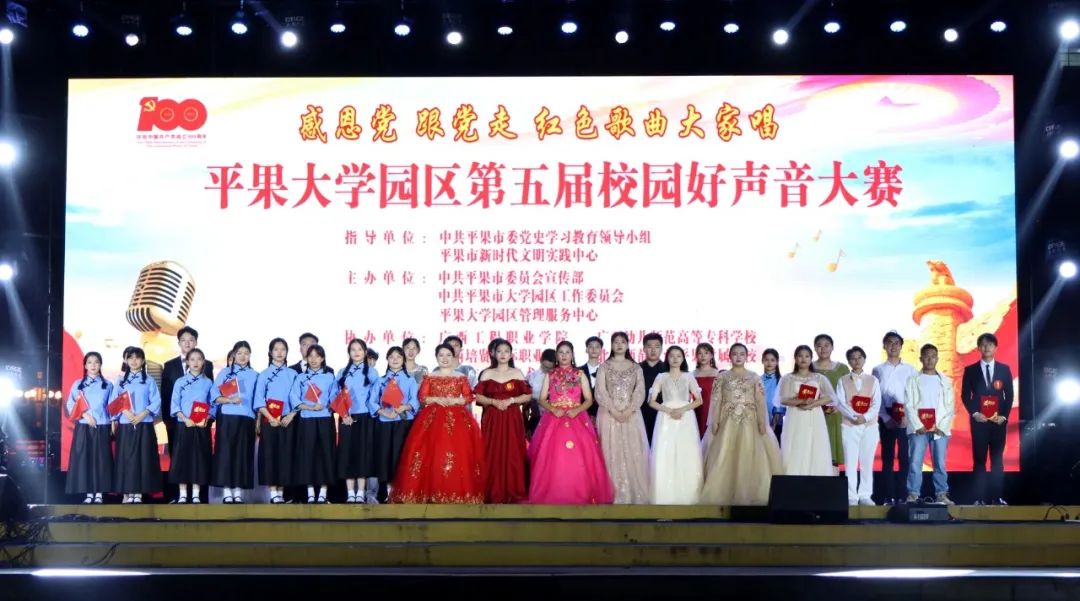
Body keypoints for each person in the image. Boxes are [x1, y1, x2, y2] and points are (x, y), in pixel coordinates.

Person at [391, 344, 485, 503]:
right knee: (430, 453)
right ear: (436, 357)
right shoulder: (430, 376)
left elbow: (469, 397)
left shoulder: (460, 376)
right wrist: (435, 399)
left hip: (457, 419)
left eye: (448, 355)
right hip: (432, 419)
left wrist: (456, 400)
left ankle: (455, 492)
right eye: (441, 355)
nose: (445, 358)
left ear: (453, 357)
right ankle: (429, 493)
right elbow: (422, 397)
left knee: (458, 453)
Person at [528, 341, 613, 504]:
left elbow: (589, 399)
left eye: (567, 352)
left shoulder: (579, 374)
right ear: (557, 355)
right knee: (553, 456)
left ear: (572, 355)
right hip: (554, 418)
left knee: (580, 456)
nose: (564, 355)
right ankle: (554, 491)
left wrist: (577, 410)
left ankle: (580, 492)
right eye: (561, 352)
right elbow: (542, 399)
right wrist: (553, 409)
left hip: (576, 417)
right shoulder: (550, 374)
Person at [702, 343, 782, 506]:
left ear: (747, 357)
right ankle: (724, 491)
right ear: (729, 356)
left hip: (750, 420)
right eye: (735, 354)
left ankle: (751, 492)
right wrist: (714, 421)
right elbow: (716, 400)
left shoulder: (754, 377)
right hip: (727, 421)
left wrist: (762, 421)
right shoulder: (722, 377)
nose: (738, 357)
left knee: (749, 454)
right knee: (724, 455)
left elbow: (760, 400)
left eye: (741, 354)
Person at [593, 331, 651, 504]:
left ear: (627, 345)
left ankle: (633, 492)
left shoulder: (636, 368)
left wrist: (629, 410)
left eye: (622, 342)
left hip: (631, 414)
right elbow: (600, 391)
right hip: (608, 414)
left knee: (632, 450)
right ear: (611, 345)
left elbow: (640, 391)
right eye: (616, 342)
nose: (619, 345)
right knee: (609, 450)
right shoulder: (604, 367)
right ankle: (611, 493)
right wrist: (614, 410)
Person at [474, 339, 531, 503]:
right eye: (499, 351)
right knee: (491, 451)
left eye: (506, 351)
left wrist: (511, 400)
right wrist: (493, 402)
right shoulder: (487, 373)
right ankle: (491, 491)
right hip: (492, 417)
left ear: (511, 354)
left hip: (512, 417)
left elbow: (527, 395)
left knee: (513, 451)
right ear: (494, 354)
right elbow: (478, 396)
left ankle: (513, 490)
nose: (503, 354)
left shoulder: (517, 373)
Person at [961, 333, 1013, 506]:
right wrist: (975, 413)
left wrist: (1003, 416)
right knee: (979, 461)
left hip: (998, 423)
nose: (986, 347)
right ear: (978, 348)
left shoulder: (1004, 369)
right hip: (979, 422)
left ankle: (997, 497)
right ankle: (979, 498)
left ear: (995, 347)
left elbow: (1009, 395)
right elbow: (965, 396)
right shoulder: (970, 370)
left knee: (997, 461)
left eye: (990, 344)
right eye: (983, 344)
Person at [648, 346, 704, 505]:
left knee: (686, 452)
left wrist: (682, 409)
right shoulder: (661, 377)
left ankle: (688, 496)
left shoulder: (689, 376)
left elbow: (699, 400)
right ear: (667, 358)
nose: (675, 359)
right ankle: (664, 495)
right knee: (665, 453)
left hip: (685, 418)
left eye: (678, 356)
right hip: (666, 417)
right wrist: (669, 410)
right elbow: (651, 401)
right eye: (672, 355)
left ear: (683, 359)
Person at [368, 347, 421, 503]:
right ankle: (385, 491)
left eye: (398, 357)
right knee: (384, 456)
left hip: (403, 423)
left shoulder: (410, 380)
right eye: (391, 357)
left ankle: (399, 491)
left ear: (403, 360)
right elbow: (372, 401)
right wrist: (384, 412)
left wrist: (404, 407)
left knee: (400, 456)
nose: (395, 360)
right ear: (387, 360)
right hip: (384, 424)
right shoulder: (381, 380)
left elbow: (415, 400)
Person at [905, 344, 956, 505]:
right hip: (918, 429)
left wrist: (941, 427)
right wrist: (918, 425)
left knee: (940, 463)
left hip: (939, 429)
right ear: (920, 358)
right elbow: (908, 405)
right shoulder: (912, 380)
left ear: (937, 358)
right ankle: (913, 494)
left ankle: (941, 494)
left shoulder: (945, 381)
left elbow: (950, 407)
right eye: (926, 356)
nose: (930, 359)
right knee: (915, 463)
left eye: (933, 356)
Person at [210, 341, 259, 503]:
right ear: (233, 355)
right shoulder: (225, 372)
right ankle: (227, 492)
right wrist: (229, 400)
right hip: (227, 418)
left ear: (250, 355)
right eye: (239, 353)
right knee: (226, 454)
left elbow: (258, 400)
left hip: (247, 419)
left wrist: (258, 421)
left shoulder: (255, 375)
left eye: (246, 353)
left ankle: (238, 492)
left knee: (242, 455)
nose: (243, 356)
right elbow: (214, 395)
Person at [776, 345, 836, 476]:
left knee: (815, 444)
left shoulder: (819, 378)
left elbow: (830, 397)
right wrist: (802, 401)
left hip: (815, 416)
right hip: (795, 416)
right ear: (795, 358)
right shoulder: (788, 378)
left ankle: (816, 478)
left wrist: (813, 404)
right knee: (795, 444)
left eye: (807, 356)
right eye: (800, 356)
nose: (803, 359)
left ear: (811, 358)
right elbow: (783, 399)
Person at [111, 347, 161, 504]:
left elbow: (156, 401)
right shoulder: (120, 380)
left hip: (144, 424)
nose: (134, 361)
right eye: (130, 358)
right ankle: (128, 492)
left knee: (143, 458)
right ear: (126, 361)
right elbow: (114, 401)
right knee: (126, 459)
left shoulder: (149, 380)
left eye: (137, 357)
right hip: (126, 424)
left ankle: (138, 492)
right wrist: (125, 412)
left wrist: (143, 414)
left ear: (143, 360)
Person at [872, 331, 917, 505]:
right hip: (887, 417)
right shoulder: (878, 370)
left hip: (906, 417)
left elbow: (914, 395)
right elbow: (876, 397)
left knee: (905, 458)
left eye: (897, 343)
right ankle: (888, 496)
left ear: (901, 346)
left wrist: (908, 417)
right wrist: (885, 418)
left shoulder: (910, 369)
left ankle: (904, 496)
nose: (893, 346)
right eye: (889, 342)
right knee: (888, 459)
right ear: (884, 346)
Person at [289, 344, 337, 503]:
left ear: (322, 358)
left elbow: (335, 397)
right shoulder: (300, 378)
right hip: (306, 420)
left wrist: (328, 405)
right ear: (306, 358)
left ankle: (323, 492)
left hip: (325, 420)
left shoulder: (330, 377)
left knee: (325, 455)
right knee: (307, 455)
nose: (314, 359)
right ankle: (310, 493)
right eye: (310, 356)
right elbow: (294, 399)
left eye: (317, 356)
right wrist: (310, 407)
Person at [835, 346, 882, 506]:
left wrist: (865, 417)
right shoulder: (843, 380)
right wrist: (854, 417)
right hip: (850, 425)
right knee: (850, 462)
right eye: (853, 358)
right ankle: (851, 496)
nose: (856, 361)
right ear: (849, 361)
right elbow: (841, 402)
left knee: (867, 462)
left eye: (859, 357)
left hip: (869, 426)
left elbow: (876, 403)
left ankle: (865, 495)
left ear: (864, 359)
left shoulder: (873, 380)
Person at [66, 351, 114, 504]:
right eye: (90, 362)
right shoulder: (78, 384)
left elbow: (112, 407)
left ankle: (99, 493)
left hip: (102, 426)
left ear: (100, 365)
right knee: (85, 460)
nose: (93, 365)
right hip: (83, 427)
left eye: (96, 362)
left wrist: (113, 424)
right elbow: (70, 404)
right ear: (85, 365)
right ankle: (88, 493)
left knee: (101, 461)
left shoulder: (108, 385)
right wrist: (85, 416)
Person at [253, 338, 297, 504]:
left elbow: (298, 399)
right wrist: (270, 418)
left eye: (283, 349)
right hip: (269, 421)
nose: (279, 352)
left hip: (287, 421)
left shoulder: (293, 374)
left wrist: (291, 415)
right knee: (270, 456)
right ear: (270, 353)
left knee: (285, 456)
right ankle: (273, 494)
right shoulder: (264, 374)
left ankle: (281, 493)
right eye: (276, 349)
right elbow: (259, 400)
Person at [336, 339, 379, 504]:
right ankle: (350, 493)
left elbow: (376, 395)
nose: (356, 352)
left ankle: (360, 492)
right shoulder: (342, 372)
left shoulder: (372, 372)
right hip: (346, 417)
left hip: (365, 417)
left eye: (359, 349)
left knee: (363, 454)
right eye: (352, 349)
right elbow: (336, 395)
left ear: (365, 352)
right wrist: (343, 414)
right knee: (347, 454)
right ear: (349, 352)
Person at [169, 348, 214, 503]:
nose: (196, 362)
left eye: (199, 359)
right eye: (192, 359)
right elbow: (174, 404)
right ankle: (182, 494)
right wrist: (184, 418)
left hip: (201, 427)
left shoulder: (208, 382)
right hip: (184, 425)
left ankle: (196, 494)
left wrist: (207, 417)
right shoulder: (180, 381)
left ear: (203, 362)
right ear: (187, 362)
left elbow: (213, 404)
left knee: (199, 459)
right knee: (182, 459)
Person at [813, 334, 849, 467]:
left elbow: (849, 392)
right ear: (814, 348)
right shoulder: (809, 367)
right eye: (819, 346)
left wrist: (838, 407)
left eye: (826, 345)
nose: (823, 349)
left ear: (832, 347)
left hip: (836, 415)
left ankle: (833, 476)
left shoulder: (842, 368)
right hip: (814, 413)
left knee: (834, 455)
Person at [639, 332, 665, 444]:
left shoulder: (668, 369)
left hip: (663, 413)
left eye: (657, 347)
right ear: (644, 349)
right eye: (649, 346)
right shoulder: (636, 368)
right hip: (640, 413)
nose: (653, 350)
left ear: (662, 349)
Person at [525, 348, 556, 438]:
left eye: (550, 368)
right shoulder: (531, 377)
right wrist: (526, 425)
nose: (547, 370)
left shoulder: (559, 378)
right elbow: (525, 404)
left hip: (555, 417)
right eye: (545, 367)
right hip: (536, 417)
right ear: (541, 361)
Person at [693, 343, 720, 439]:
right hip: (696, 408)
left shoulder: (718, 374)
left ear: (712, 355)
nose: (703, 356)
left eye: (706, 353)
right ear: (696, 356)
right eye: (700, 353)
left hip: (712, 408)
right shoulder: (692, 374)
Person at [579, 336, 604, 420]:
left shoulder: (607, 371)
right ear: (586, 349)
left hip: (602, 414)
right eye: (591, 346)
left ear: (601, 350)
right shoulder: (578, 371)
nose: (594, 349)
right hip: (582, 414)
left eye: (597, 347)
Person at [761, 349, 783, 442]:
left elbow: (780, 405)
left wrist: (773, 424)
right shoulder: (757, 379)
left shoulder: (782, 380)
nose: (769, 363)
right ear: (762, 361)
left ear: (777, 362)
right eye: (766, 360)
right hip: (760, 421)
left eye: (772, 360)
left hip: (776, 423)